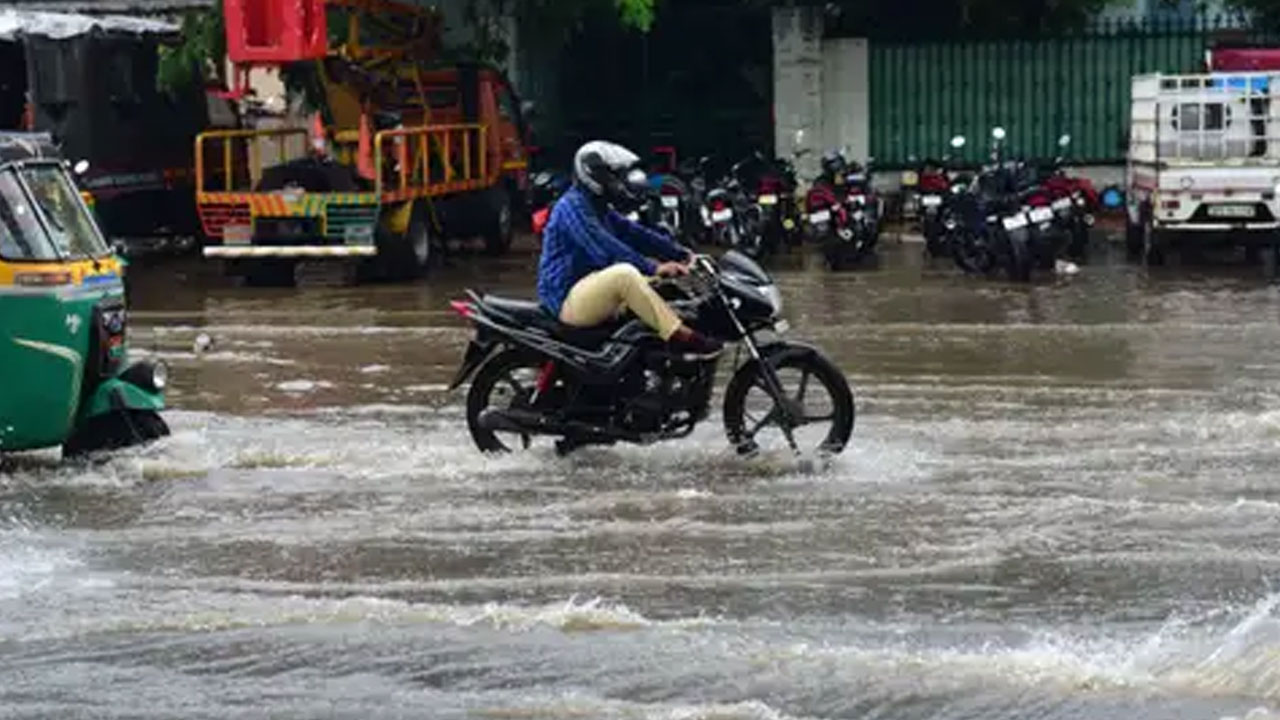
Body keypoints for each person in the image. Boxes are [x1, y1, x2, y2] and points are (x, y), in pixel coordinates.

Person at [537, 140, 723, 356]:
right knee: (625, 275)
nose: (616, 182)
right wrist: (653, 268)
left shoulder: (600, 208)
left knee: (663, 288)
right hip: (565, 301)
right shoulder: (571, 208)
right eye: (611, 176)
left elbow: (636, 234)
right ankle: (680, 334)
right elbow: (604, 247)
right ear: (593, 176)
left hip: (590, 288)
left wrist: (681, 254)